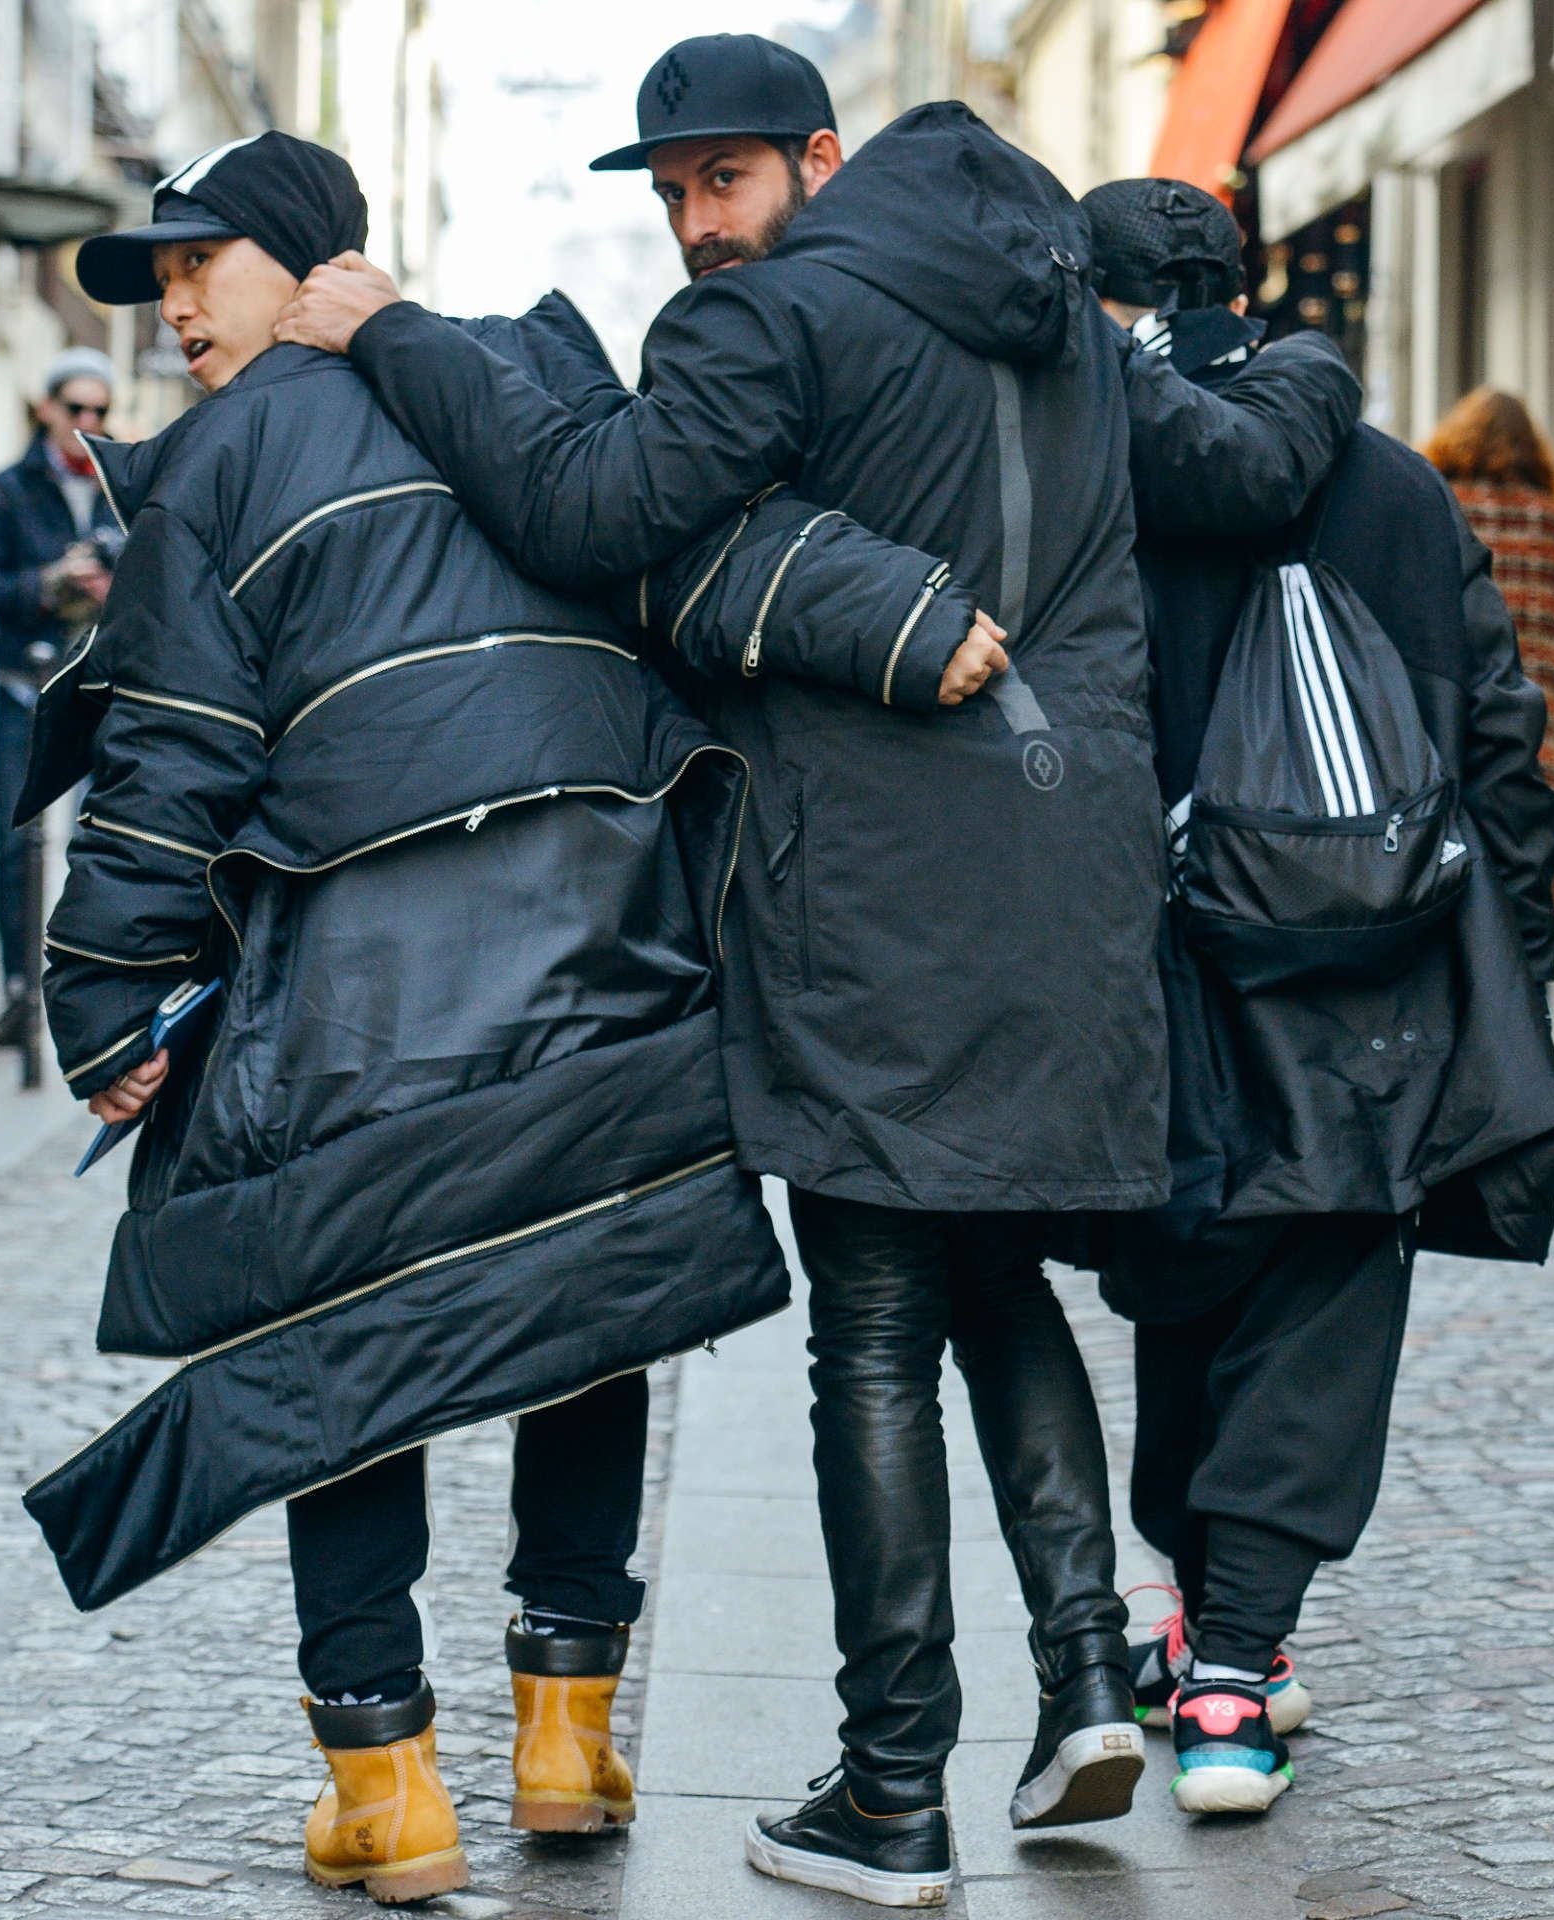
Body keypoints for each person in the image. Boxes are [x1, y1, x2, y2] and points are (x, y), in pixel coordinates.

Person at [274, 36, 1364, 1906]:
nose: (703, 223)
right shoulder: (1067, 322)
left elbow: (590, 509)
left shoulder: (766, 330)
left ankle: (890, 1787)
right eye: (676, 192)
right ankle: (1091, 1676)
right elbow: (1252, 465)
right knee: (997, 1264)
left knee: (871, 1318)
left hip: (879, 890)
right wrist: (1323, 361)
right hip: (1075, 872)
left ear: (822, 158)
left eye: (726, 180)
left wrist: (393, 334)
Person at [17, 131, 792, 1907]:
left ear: (303, 260)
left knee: (339, 1352)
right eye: (155, 279)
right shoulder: (523, 379)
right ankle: (567, 1736)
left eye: (199, 260)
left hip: (361, 986)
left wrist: (108, 997)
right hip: (607, 939)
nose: (174, 304)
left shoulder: (222, 461)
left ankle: (389, 1789)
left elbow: (168, 761)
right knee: (584, 1297)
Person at [1076, 178, 1554, 1815]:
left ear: (1100, 305)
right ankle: (1236, 1668)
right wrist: (1516, 952)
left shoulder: (1089, 478)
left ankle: (1209, 1631)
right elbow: (1499, 734)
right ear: (1242, 285)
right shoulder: (1391, 486)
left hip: (1164, 970)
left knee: (1189, 1281)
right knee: (1330, 1279)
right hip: (1378, 967)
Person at [0, 346, 120, 1046]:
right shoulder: (5, 490)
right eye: (76, 407)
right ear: (47, 408)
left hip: (107, 691)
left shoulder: (123, 484)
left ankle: (99, 994)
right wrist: (50, 583)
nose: (88, 421)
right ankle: (20, 994)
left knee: (110, 846)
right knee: (15, 846)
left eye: (100, 411)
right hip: (27, 691)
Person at [1425, 388, 1554, 836]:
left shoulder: (1442, 506)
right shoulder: (1550, 519)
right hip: (1538, 710)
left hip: (1458, 697)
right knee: (1532, 837)